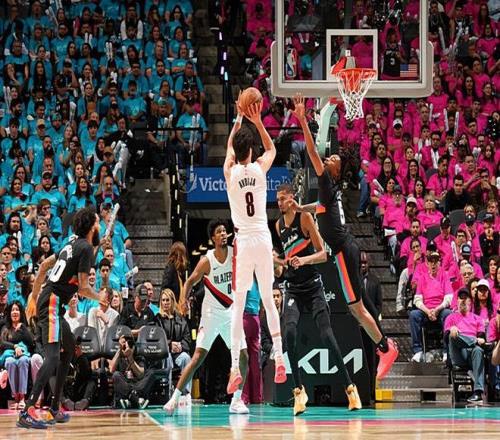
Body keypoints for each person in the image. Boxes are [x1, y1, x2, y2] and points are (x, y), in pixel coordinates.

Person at [291, 94, 398, 380]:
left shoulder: (327, 180)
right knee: (359, 305)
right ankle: (385, 344)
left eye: (334, 159)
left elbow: (312, 151)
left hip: (343, 250)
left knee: (356, 309)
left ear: (336, 171)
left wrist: (302, 120)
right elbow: (320, 208)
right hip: (343, 248)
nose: (330, 157)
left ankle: (385, 348)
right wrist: (302, 208)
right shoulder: (329, 191)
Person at [18, 207, 108, 429]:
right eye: (98, 222)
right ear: (91, 226)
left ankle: (54, 408)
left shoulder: (72, 243)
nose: (99, 225)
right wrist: (100, 297)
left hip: (51, 301)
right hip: (52, 303)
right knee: (51, 358)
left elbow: (45, 265)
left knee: (68, 349)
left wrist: (34, 295)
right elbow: (84, 288)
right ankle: (27, 411)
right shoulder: (84, 248)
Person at [275, 183, 361, 415]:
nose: (279, 203)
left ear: (292, 198)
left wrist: (303, 261)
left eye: (282, 198)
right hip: (293, 288)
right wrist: (278, 262)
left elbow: (323, 254)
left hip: (313, 286)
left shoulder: (304, 219)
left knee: (326, 335)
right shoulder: (278, 225)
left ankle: (350, 388)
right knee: (289, 332)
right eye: (277, 199)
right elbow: (286, 262)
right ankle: (298, 391)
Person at [224, 96, 285, 394]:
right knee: (267, 300)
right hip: (263, 236)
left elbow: (229, 149)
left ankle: (234, 367)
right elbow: (272, 149)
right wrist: (258, 121)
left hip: (244, 240)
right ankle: (280, 357)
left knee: (238, 305)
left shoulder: (230, 172)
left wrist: (238, 118)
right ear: (251, 151)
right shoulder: (260, 169)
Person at [164, 219, 249, 415]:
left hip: (230, 312)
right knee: (197, 358)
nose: (223, 234)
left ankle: (236, 400)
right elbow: (190, 282)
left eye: (224, 231)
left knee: (244, 356)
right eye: (219, 232)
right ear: (213, 238)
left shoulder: (235, 255)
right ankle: (174, 398)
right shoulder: (207, 261)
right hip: (211, 314)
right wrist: (183, 301)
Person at [445, 288, 487, 403]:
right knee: (452, 335)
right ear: (457, 301)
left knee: (478, 350)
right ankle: (473, 341)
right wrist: (453, 329)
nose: (463, 300)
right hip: (458, 353)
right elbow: (446, 339)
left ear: (470, 301)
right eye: (460, 298)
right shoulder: (450, 317)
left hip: (472, 353)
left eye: (465, 298)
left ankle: (478, 393)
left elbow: (482, 339)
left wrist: (477, 342)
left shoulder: (478, 319)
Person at [155, 288, 192, 391]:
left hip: (178, 353)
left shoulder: (181, 319)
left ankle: (186, 392)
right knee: (167, 358)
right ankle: (167, 391)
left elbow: (188, 339)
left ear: (172, 301)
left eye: (167, 300)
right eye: (163, 300)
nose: (165, 303)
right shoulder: (157, 319)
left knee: (186, 358)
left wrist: (180, 346)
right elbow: (156, 339)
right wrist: (169, 345)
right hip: (164, 353)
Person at [0, 301, 34, 410]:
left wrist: (23, 328)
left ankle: (22, 397)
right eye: (13, 310)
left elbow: (31, 342)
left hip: (23, 355)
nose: (15, 312)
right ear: (9, 313)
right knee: (10, 362)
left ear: (21, 312)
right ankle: (15, 398)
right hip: (10, 354)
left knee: (23, 361)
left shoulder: (25, 327)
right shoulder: (6, 328)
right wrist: (15, 346)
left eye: (17, 310)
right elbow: (2, 343)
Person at [110, 335, 156, 409]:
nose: (128, 348)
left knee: (151, 373)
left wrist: (130, 358)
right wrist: (120, 349)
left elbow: (140, 374)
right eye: (125, 345)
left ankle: (131, 398)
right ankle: (136, 399)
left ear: (134, 347)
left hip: (137, 385)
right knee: (116, 375)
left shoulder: (139, 357)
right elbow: (111, 370)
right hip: (125, 385)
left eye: (130, 346)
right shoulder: (119, 357)